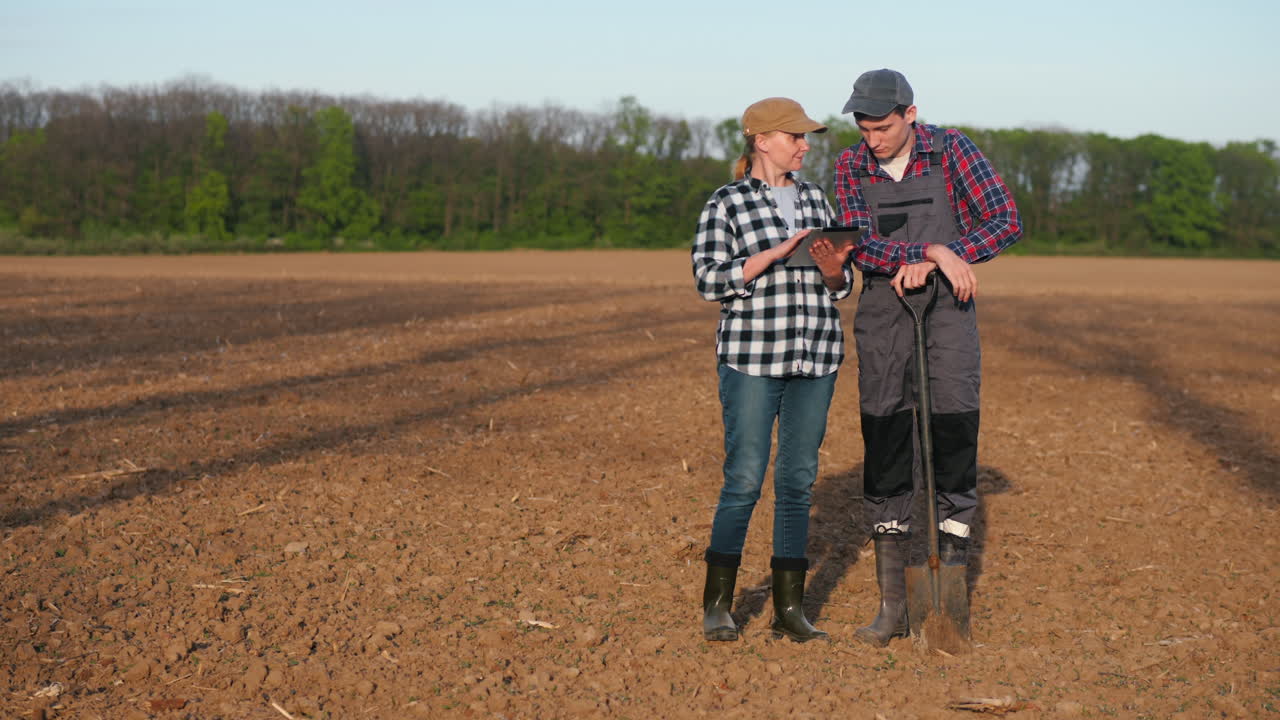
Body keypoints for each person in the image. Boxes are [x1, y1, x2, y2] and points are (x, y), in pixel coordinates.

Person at [831, 69, 1022, 647]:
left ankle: (950, 599)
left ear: (911, 115)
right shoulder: (848, 166)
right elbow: (858, 241)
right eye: (864, 128)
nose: (873, 140)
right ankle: (891, 606)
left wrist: (944, 259)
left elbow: (1004, 220)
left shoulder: (952, 149)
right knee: (887, 437)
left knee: (952, 433)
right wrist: (927, 249)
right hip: (884, 317)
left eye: (883, 127)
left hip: (949, 314)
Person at [691, 97, 856, 643]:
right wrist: (774, 253)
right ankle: (719, 605)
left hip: (817, 355)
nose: (806, 145)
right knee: (743, 479)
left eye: (806, 137)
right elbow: (710, 280)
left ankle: (790, 610)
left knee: (797, 482)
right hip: (752, 357)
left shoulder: (816, 198)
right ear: (763, 141)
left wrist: (835, 272)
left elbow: (841, 286)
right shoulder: (727, 203)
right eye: (795, 137)